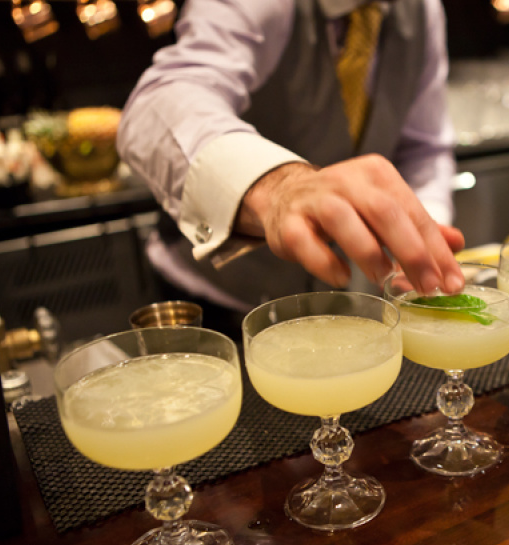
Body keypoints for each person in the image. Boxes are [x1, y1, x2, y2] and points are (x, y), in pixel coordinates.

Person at [117, 0, 465, 335]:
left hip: (337, 310)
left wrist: (419, 237)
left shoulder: (423, 9)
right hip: (210, 309)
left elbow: (423, 148)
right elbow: (156, 104)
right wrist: (279, 187)